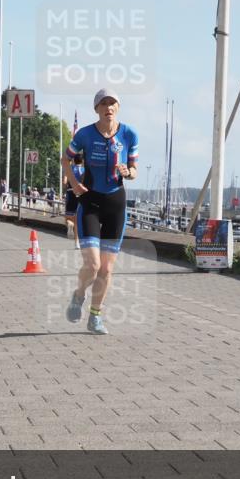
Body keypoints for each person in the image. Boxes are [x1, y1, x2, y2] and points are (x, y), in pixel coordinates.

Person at [62, 88, 139, 334]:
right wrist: (74, 184)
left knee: (106, 268)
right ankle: (78, 295)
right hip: (90, 203)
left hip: (115, 204)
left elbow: (134, 169)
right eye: (104, 104)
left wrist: (129, 172)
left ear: (118, 107)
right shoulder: (85, 134)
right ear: (96, 109)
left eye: (112, 103)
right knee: (93, 265)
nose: (108, 108)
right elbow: (66, 159)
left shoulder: (129, 134)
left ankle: (95, 316)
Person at [63, 154, 84, 248]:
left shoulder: (69, 169)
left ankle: (69, 224)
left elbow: (64, 182)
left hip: (70, 193)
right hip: (80, 194)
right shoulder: (84, 170)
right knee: (77, 220)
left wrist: (65, 189)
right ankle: (77, 243)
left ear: (74, 161)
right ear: (82, 161)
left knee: (68, 217)